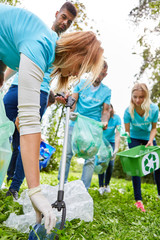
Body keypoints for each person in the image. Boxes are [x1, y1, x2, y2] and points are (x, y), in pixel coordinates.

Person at [0, 3, 104, 233]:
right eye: (81, 67)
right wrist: (35, 192)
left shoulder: (44, 50)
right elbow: (29, 122)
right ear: (75, 53)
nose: (77, 74)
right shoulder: (43, 45)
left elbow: (4, 44)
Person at [4, 1, 77, 198]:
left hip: (35, 92)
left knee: (21, 140)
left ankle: (12, 185)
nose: (65, 23)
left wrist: (56, 96)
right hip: (24, 87)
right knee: (23, 139)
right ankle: (13, 183)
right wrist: (4, 78)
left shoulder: (57, 47)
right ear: (56, 14)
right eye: (63, 17)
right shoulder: (44, 37)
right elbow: (21, 63)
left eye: (69, 22)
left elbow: (43, 77)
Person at [58, 61, 111, 190]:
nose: (99, 76)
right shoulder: (81, 84)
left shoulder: (106, 91)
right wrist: (70, 112)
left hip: (92, 127)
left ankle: (84, 188)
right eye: (97, 72)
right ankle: (61, 185)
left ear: (105, 75)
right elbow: (74, 102)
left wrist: (105, 122)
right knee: (67, 154)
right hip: (76, 123)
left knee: (90, 159)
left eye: (102, 74)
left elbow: (105, 111)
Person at [124, 83, 160, 212]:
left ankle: (159, 194)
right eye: (135, 97)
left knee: (158, 166)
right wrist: (128, 144)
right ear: (131, 96)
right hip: (134, 137)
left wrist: (150, 140)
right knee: (136, 169)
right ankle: (138, 200)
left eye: (141, 97)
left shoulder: (154, 109)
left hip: (148, 137)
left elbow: (154, 128)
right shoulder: (128, 111)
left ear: (146, 96)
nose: (138, 100)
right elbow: (127, 132)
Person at [98, 104, 121, 195]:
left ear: (112, 108)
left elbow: (118, 134)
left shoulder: (117, 118)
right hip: (101, 142)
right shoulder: (100, 117)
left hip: (111, 142)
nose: (108, 110)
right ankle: (100, 186)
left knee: (110, 164)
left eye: (109, 108)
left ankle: (106, 185)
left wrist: (116, 148)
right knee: (102, 163)